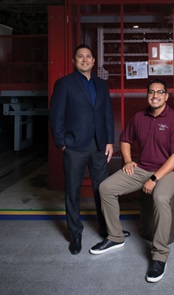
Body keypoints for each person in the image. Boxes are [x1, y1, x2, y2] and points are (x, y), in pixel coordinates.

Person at [89, 79, 174, 283]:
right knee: (106, 187)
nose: (155, 96)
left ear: (166, 96)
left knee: (160, 196)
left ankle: (160, 255)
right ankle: (115, 237)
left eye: (160, 92)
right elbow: (125, 140)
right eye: (151, 92)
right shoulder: (139, 117)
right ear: (147, 95)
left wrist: (154, 178)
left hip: (170, 171)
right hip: (142, 168)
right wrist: (127, 161)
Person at [49, 44, 114, 255]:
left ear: (94, 61)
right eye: (80, 57)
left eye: (88, 57)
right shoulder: (64, 84)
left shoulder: (102, 85)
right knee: (73, 191)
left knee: (102, 189)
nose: (84, 60)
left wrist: (109, 141)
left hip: (98, 145)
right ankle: (75, 234)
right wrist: (62, 143)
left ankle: (107, 230)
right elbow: (56, 116)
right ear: (74, 61)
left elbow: (107, 115)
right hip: (74, 146)